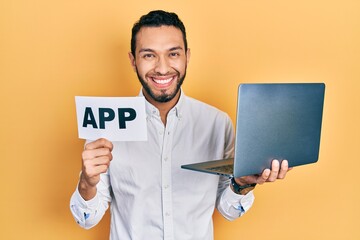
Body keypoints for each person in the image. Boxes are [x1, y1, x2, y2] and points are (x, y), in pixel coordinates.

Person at [70, 10, 290, 240]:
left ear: (187, 56)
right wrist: (87, 182)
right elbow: (87, 219)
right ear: (133, 61)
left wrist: (242, 184)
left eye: (173, 54)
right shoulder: (107, 125)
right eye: (148, 55)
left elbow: (229, 210)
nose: (162, 68)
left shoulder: (217, 124)